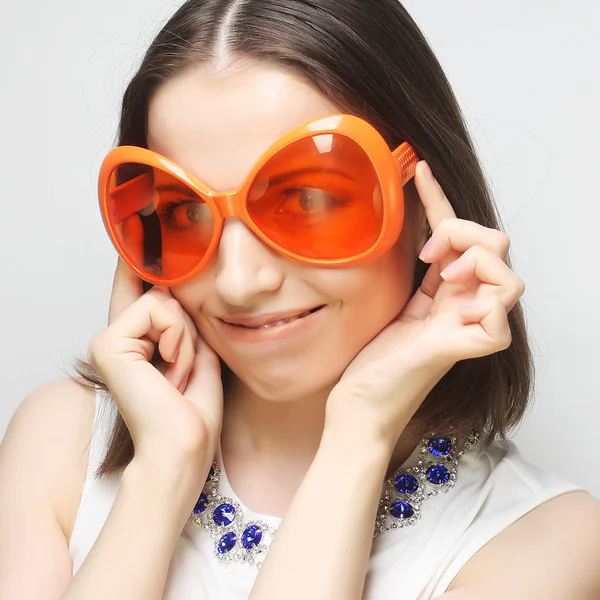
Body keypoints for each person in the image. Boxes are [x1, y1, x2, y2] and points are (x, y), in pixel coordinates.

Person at [1, 0, 599, 598]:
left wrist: (359, 431)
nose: (237, 280)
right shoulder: (58, 444)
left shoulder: (542, 542)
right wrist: (160, 476)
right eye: (185, 210)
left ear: (425, 199)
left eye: (307, 199)